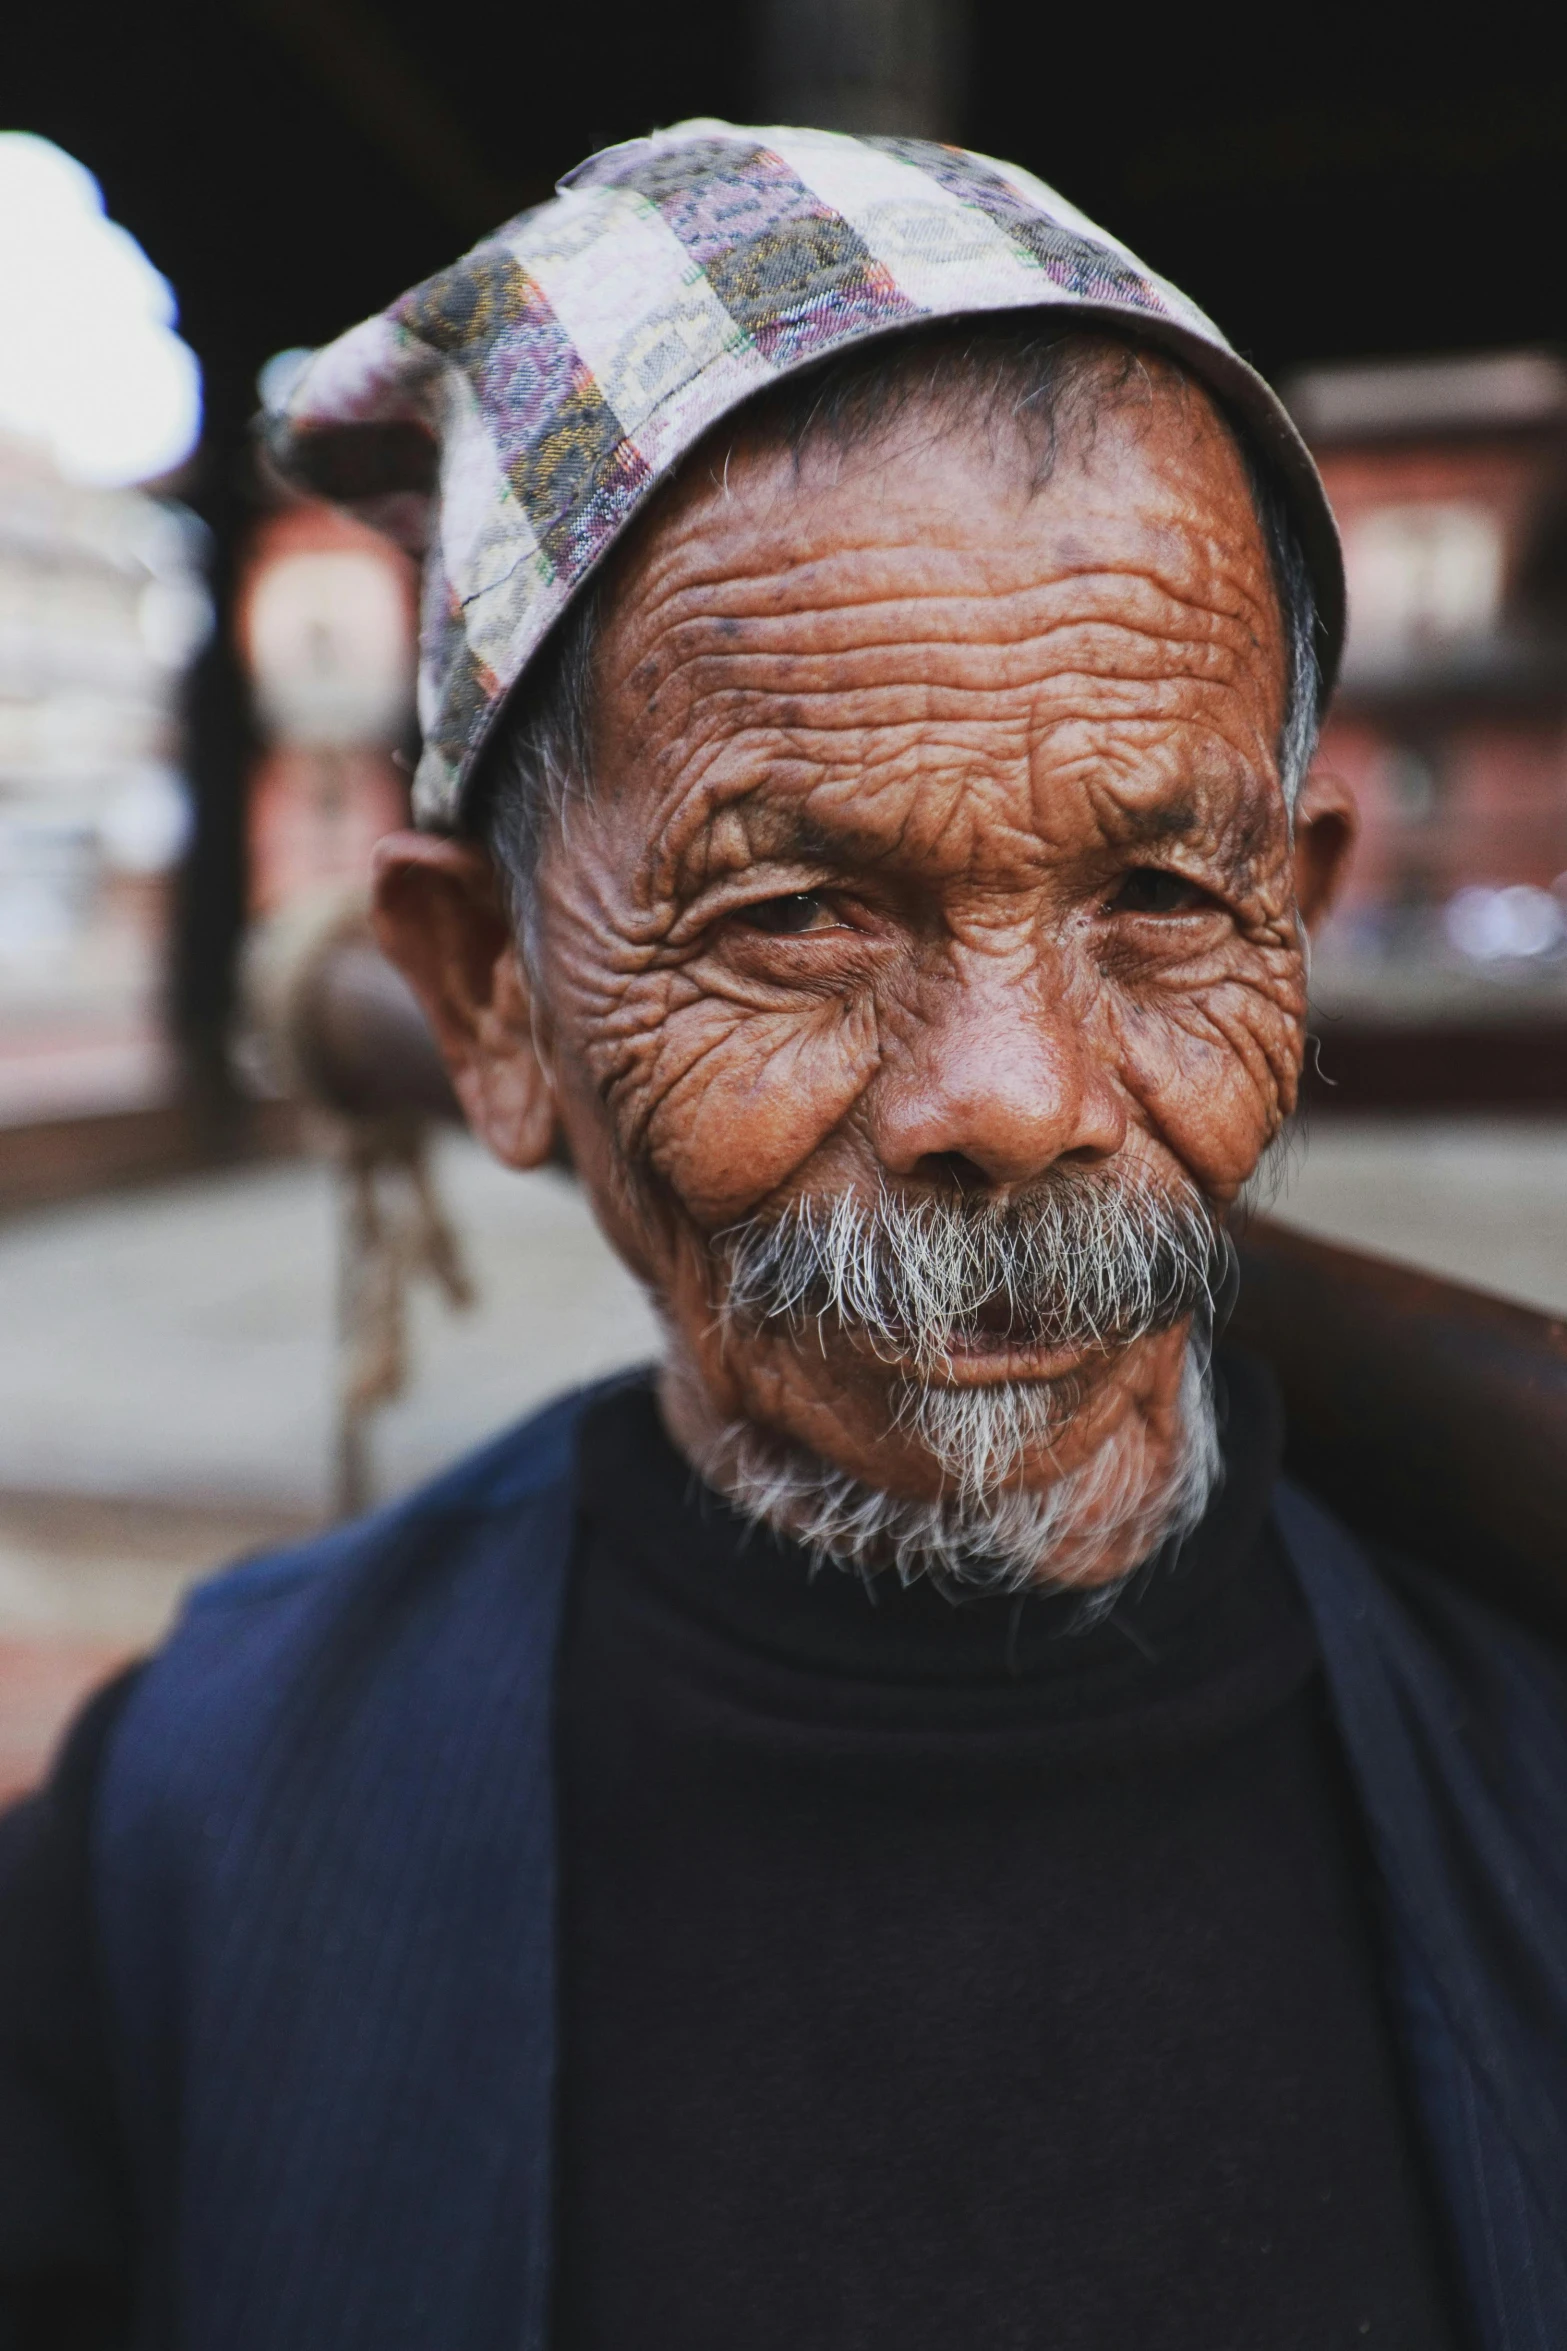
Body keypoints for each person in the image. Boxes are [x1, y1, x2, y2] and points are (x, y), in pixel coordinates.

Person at [3, 120, 1565, 2351]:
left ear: (1293, 917)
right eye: (798, 911)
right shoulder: (203, 1819)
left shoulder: (1527, 1736)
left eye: (1156, 898)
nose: (1021, 1101)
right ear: (487, 1000)